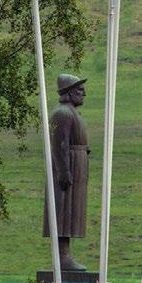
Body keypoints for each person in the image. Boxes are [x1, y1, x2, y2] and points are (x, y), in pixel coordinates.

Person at [43, 74, 89, 271]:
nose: (83, 94)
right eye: (79, 90)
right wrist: (64, 170)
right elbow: (59, 144)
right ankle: (62, 257)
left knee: (71, 212)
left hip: (75, 166)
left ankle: (65, 256)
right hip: (67, 168)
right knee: (63, 212)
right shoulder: (62, 114)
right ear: (69, 93)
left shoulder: (72, 113)